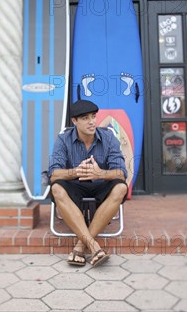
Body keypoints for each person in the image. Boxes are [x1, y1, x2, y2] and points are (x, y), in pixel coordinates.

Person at [48, 100, 128, 267]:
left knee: (120, 186)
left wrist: (100, 173)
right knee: (56, 188)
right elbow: (54, 174)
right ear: (74, 121)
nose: (92, 121)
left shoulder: (108, 137)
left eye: (93, 117)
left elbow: (121, 172)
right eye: (85, 118)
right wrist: (76, 171)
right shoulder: (63, 140)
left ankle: (80, 246)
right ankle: (94, 246)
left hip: (100, 184)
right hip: (75, 185)